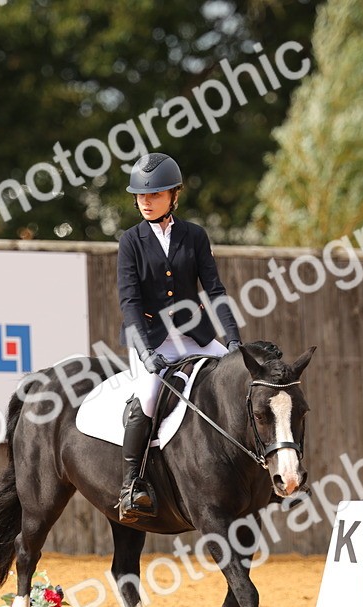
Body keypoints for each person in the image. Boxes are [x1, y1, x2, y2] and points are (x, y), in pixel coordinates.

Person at [116, 152, 242, 523]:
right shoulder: (131, 241)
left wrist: (233, 341)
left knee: (241, 381)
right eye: (141, 195)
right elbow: (129, 302)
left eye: (154, 194)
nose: (145, 201)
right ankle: (131, 484)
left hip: (194, 335)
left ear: (174, 195)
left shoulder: (195, 236)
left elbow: (215, 291)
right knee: (148, 397)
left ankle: (267, 476)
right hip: (152, 339)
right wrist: (145, 352)